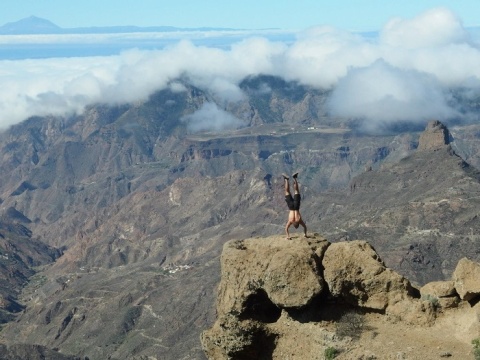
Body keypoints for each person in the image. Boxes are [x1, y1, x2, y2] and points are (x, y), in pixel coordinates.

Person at [282, 172, 307, 240]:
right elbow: (286, 228)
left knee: (296, 191)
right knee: (287, 191)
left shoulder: (299, 220)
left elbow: (305, 227)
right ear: (294, 224)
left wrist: (305, 234)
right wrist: (288, 236)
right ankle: (286, 179)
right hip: (291, 207)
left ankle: (294, 178)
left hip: (296, 207)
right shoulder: (291, 221)